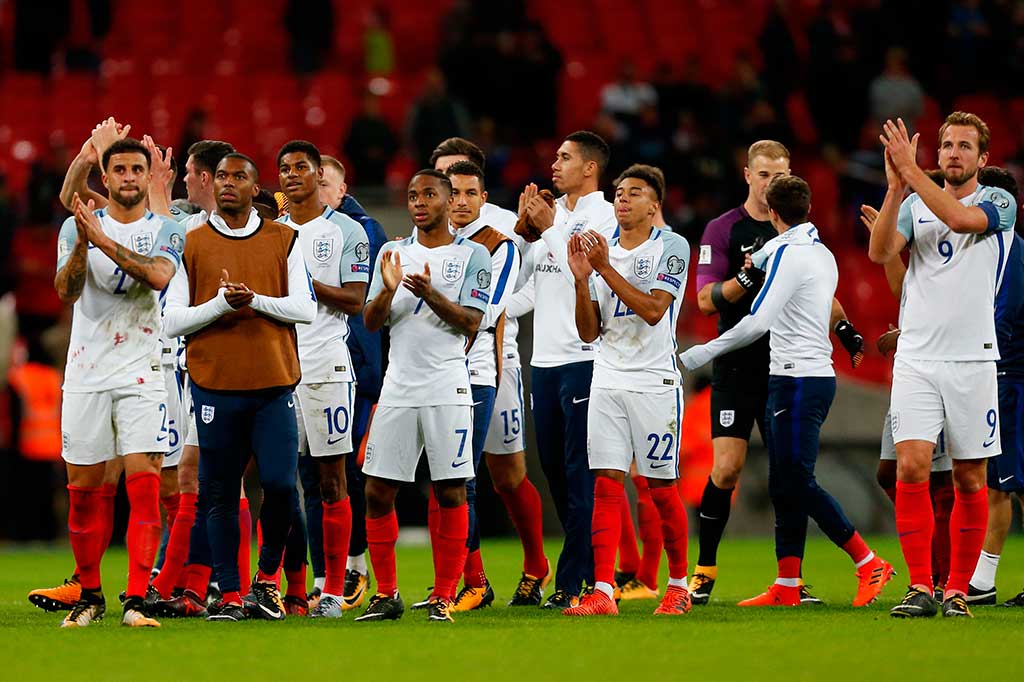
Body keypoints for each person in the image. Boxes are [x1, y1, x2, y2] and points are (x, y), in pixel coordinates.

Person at [681, 175, 893, 608]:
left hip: (796, 380)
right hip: (810, 377)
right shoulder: (821, 252)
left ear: (773, 214)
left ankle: (867, 560)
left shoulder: (786, 255)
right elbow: (771, 260)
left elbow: (757, 322)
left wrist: (698, 354)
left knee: (796, 480)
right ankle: (788, 584)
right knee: (784, 482)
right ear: (808, 209)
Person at [869, 113, 1018, 618]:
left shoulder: (999, 202)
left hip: (974, 359)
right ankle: (920, 588)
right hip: (916, 358)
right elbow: (880, 250)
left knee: (971, 479)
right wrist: (895, 191)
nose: (953, 153)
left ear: (983, 158)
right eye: (947, 145)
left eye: (964, 146)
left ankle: (957, 590)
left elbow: (960, 220)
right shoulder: (913, 202)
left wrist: (911, 174)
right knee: (910, 466)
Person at [162, 153, 317, 622]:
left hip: (273, 381)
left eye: (239, 177)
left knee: (280, 487)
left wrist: (255, 301)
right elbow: (171, 320)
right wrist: (219, 306)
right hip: (214, 384)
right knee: (221, 493)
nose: (228, 183)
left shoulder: (284, 238)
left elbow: (305, 308)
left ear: (256, 188)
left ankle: (266, 579)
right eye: (223, 176)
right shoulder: (191, 241)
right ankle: (229, 594)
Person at [54, 137, 185, 628]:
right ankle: (89, 596)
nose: (129, 177)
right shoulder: (74, 227)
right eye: (120, 170)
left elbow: (157, 276)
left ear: (148, 177)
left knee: (144, 485)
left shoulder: (167, 229)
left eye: (137, 169)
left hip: (142, 371)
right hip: (86, 372)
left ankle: (135, 600)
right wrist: (83, 245)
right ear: (104, 179)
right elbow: (66, 292)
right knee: (83, 489)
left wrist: (103, 240)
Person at [355, 170, 490, 624]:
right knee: (376, 490)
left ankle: (445, 596)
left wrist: (429, 293)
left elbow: (471, 322)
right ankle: (387, 594)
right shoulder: (393, 253)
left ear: (450, 200)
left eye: (428, 194)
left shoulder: (473, 256)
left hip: (446, 385)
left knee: (450, 489)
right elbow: (372, 322)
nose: (418, 202)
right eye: (412, 195)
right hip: (398, 385)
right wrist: (389, 288)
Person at [563, 164, 693, 617]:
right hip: (607, 377)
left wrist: (601, 269)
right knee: (605, 483)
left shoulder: (671, 246)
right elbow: (588, 331)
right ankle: (602, 590)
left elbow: (656, 310)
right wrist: (582, 281)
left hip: (654, 381)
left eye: (634, 193)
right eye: (619, 192)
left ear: (654, 205)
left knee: (660, 487)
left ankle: (678, 585)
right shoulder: (602, 252)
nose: (622, 199)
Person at [430, 138, 549, 606]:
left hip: (498, 359)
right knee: (454, 473)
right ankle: (471, 580)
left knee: (508, 473)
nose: (450, 195)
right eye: (442, 182)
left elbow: (533, 283)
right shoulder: (431, 227)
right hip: (443, 363)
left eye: (459, 185)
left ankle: (537, 564)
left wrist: (491, 314)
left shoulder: (501, 228)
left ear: (477, 187)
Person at [506, 131, 617, 608]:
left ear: (590, 168)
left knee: (578, 473)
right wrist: (490, 313)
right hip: (544, 361)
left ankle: (575, 582)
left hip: (583, 359)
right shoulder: (560, 216)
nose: (554, 163)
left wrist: (548, 226)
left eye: (565, 157)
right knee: (553, 468)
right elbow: (537, 281)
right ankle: (583, 569)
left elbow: (581, 268)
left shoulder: (605, 215)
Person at [275, 140, 370, 619]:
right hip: (276, 367)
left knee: (332, 478)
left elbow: (356, 299)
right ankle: (287, 589)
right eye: (284, 169)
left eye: (301, 168)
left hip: (327, 366)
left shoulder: (347, 230)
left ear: (318, 175)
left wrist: (304, 287)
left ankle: (334, 588)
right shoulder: (269, 232)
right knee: (277, 481)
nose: (291, 176)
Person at [437, 160, 520, 611]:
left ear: (484, 200)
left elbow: (486, 314)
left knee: (463, 478)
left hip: (474, 372)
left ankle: (470, 582)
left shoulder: (499, 247)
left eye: (472, 193)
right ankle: (458, 581)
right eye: (455, 193)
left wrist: (434, 302)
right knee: (439, 478)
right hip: (428, 373)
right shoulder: (426, 244)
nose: (463, 201)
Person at [312, 153, 386, 611]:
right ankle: (319, 575)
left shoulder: (361, 229)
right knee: (306, 474)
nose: (317, 190)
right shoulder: (289, 230)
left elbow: (360, 302)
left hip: (356, 371)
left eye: (326, 184)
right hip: (302, 368)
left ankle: (356, 568)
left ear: (342, 192)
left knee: (350, 471)